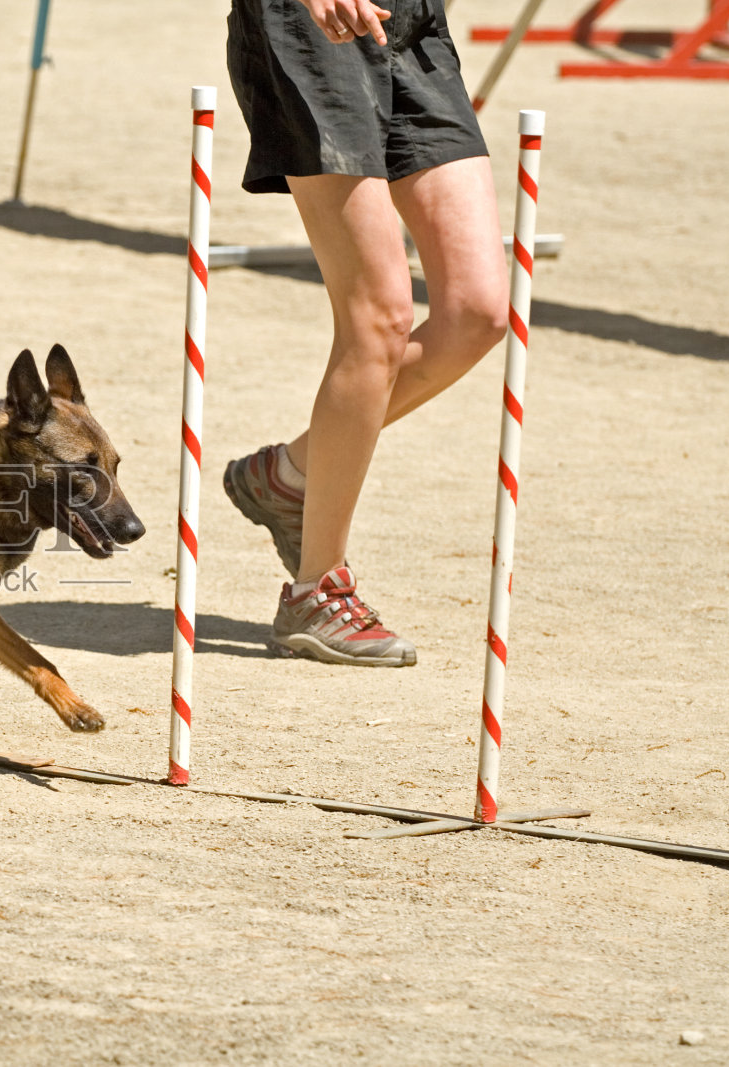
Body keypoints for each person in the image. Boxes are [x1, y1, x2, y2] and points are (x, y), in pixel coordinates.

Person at [221, 0, 509, 667]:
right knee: (379, 316)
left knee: (479, 310)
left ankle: (289, 473)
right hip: (310, 23)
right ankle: (316, 588)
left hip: (413, 19)